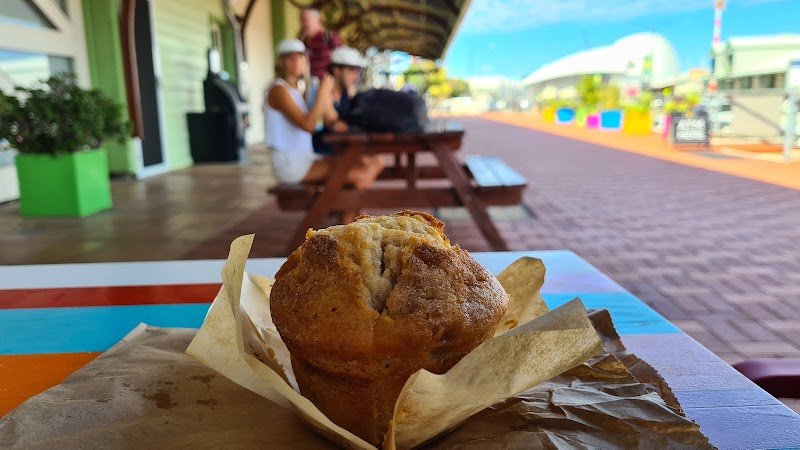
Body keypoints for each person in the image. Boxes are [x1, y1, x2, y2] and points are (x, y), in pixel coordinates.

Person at [264, 38, 333, 184]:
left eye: (301, 57)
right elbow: (307, 125)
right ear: (280, 62)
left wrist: (325, 99)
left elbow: (315, 126)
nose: (297, 61)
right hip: (290, 164)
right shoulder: (278, 90)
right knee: (349, 172)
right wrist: (323, 93)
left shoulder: (296, 90)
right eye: (290, 58)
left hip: (304, 158)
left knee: (349, 167)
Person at [312, 46, 366, 155]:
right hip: (322, 154)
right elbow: (331, 123)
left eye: (357, 72)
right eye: (351, 70)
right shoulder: (320, 91)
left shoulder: (347, 93)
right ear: (336, 70)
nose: (356, 77)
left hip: (344, 151)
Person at [300, 8, 342, 80]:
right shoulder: (303, 43)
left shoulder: (329, 37)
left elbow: (342, 63)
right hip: (310, 84)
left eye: (306, 20)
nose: (304, 24)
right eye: (301, 20)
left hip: (328, 83)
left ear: (317, 20)